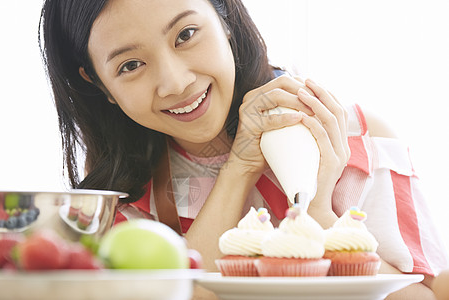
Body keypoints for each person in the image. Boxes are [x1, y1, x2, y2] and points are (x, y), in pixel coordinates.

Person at [39, 0, 447, 298]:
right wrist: (239, 170)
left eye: (185, 35)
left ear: (226, 19)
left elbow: (420, 296)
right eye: (130, 65)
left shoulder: (349, 137)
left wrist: (318, 209)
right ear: (99, 85)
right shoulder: (120, 190)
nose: (176, 82)